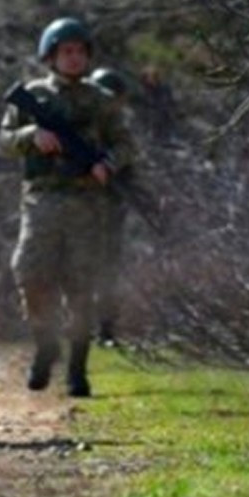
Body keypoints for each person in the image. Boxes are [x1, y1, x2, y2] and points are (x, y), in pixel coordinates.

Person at [0, 18, 135, 398]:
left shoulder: (101, 101)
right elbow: (4, 141)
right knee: (29, 272)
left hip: (87, 203)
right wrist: (31, 136)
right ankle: (45, 343)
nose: (73, 59)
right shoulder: (32, 95)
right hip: (41, 199)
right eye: (65, 52)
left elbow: (126, 144)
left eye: (79, 51)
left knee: (81, 286)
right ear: (51, 56)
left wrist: (108, 163)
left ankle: (77, 367)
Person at [87, 67, 134, 347]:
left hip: (110, 209)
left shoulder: (119, 134)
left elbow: (128, 163)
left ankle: (106, 329)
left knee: (108, 270)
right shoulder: (83, 128)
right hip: (79, 207)